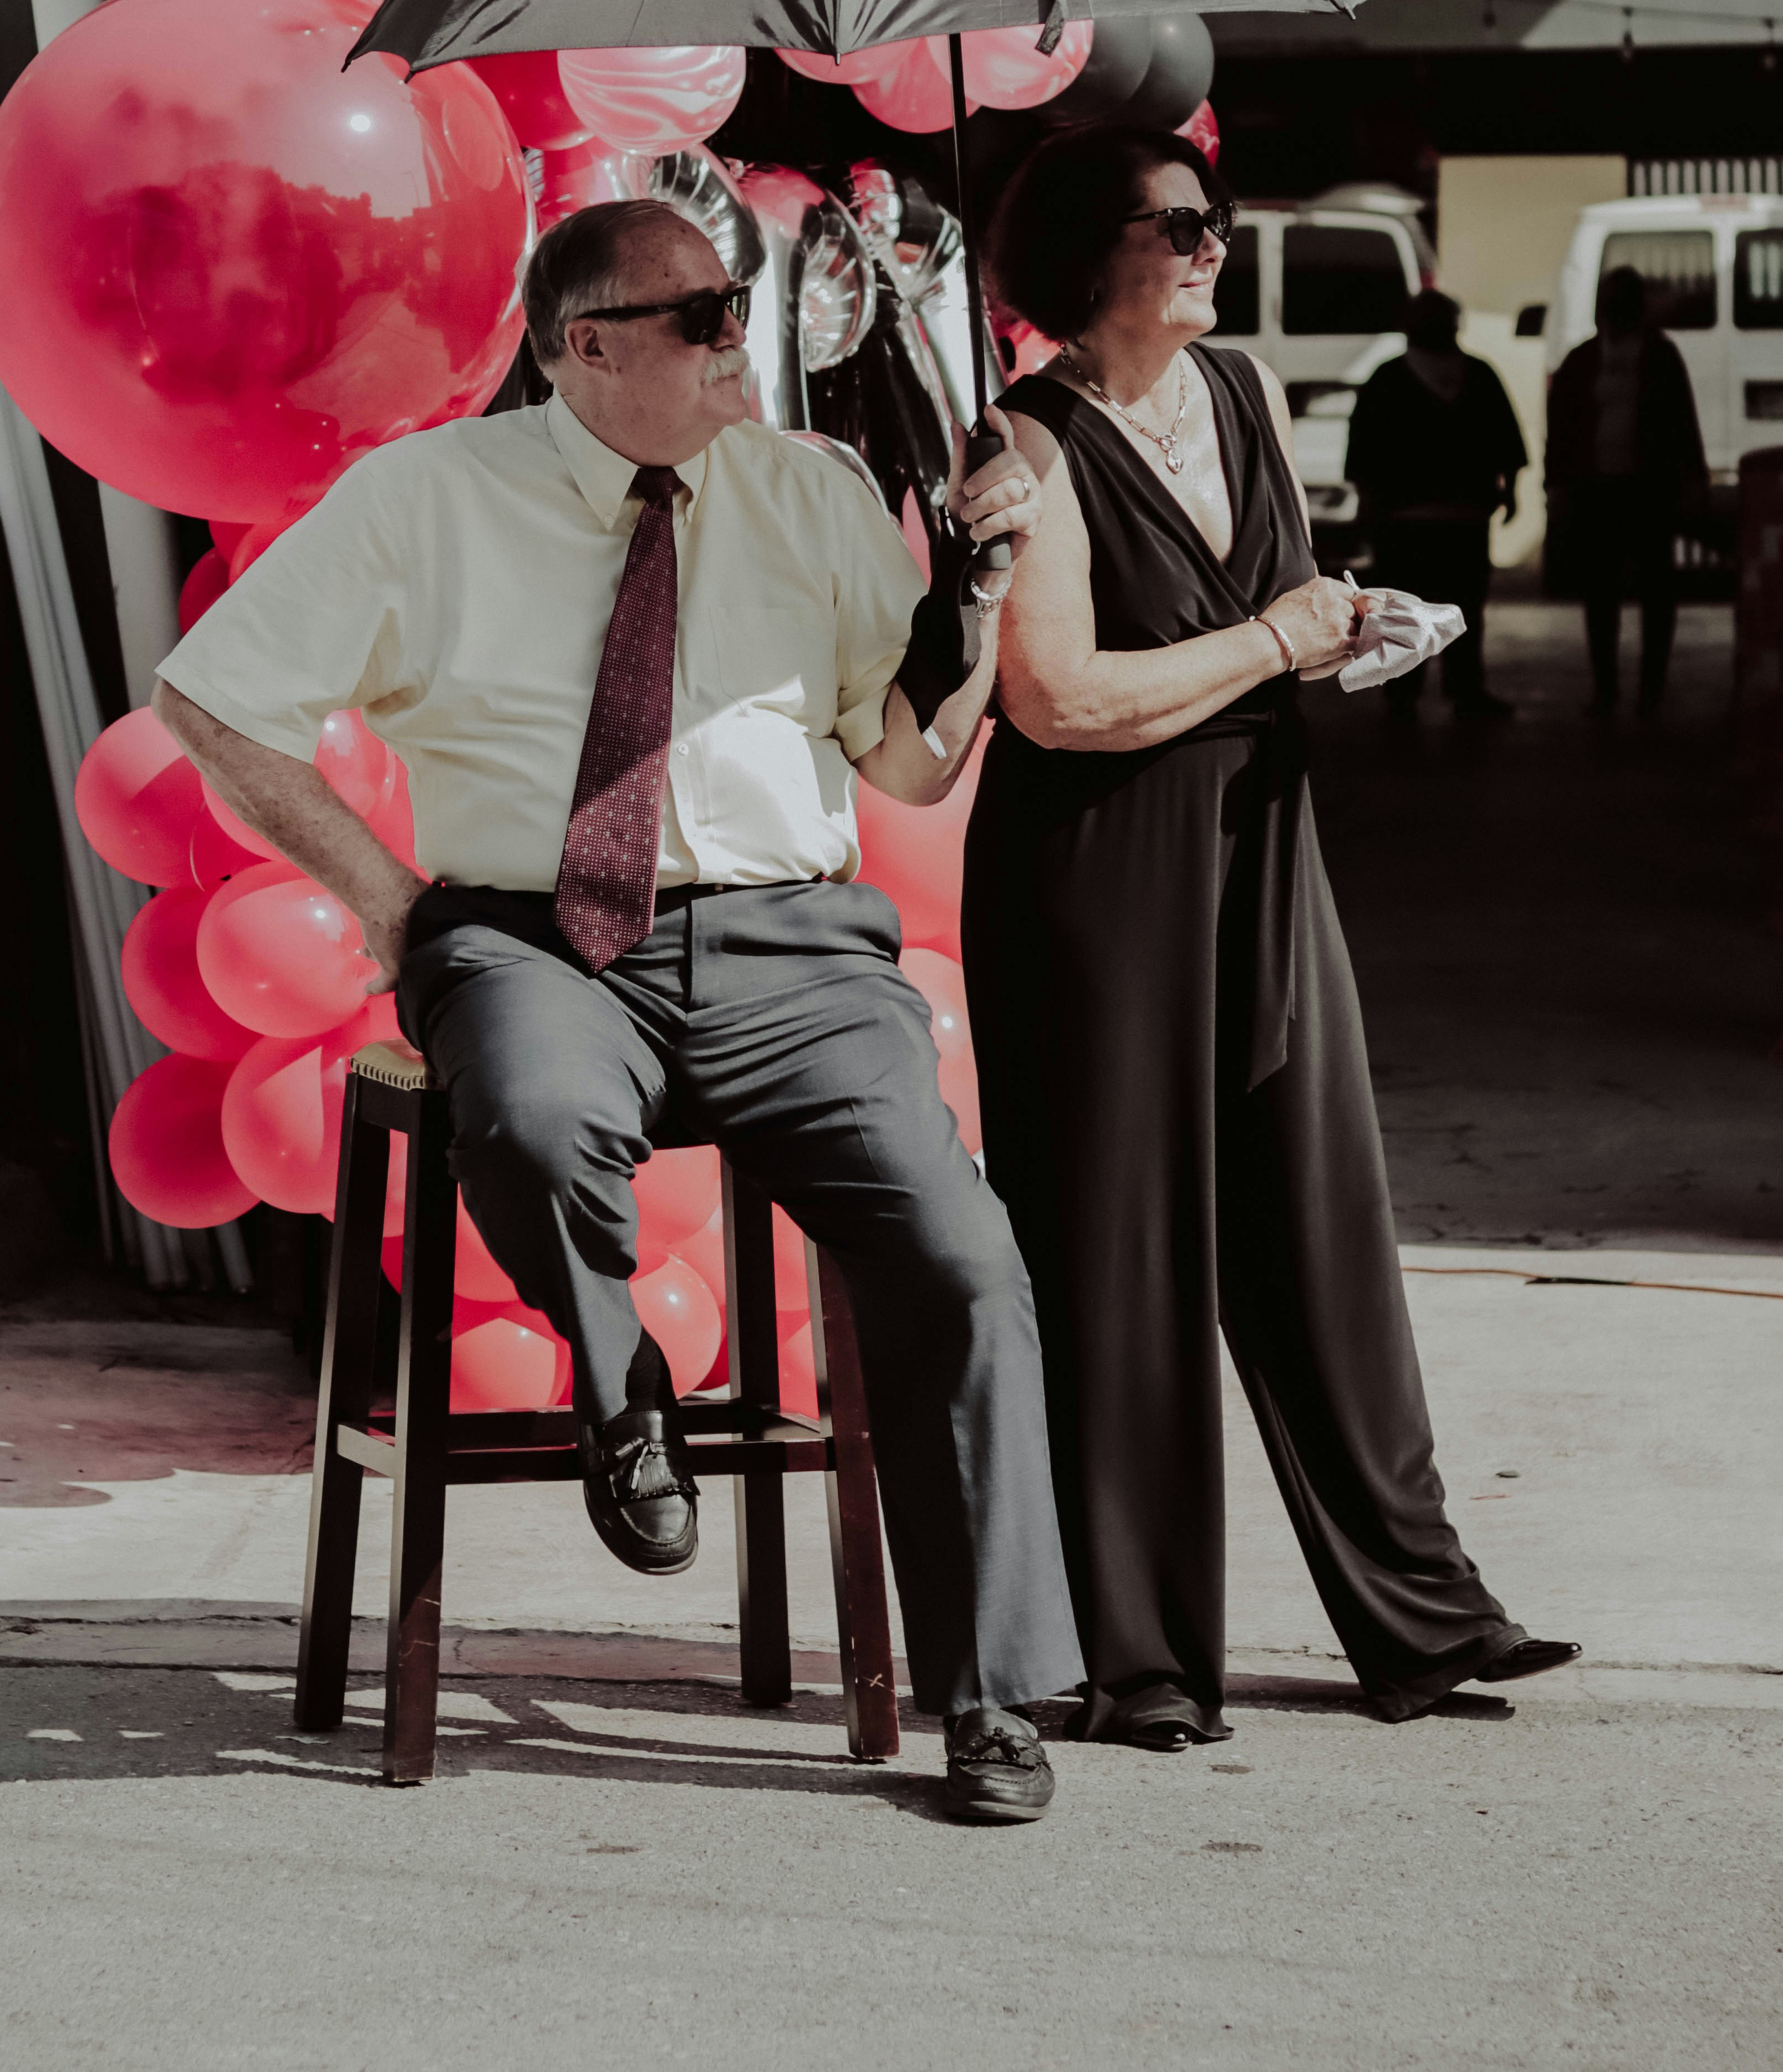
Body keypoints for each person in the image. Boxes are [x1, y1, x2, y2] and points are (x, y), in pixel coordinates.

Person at [155, 197, 1084, 1825]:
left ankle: (989, 1690)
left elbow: (909, 758)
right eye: (706, 314)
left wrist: (983, 593)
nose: (746, 337)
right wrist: (391, 906)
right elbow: (211, 696)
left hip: (794, 944)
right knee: (525, 1108)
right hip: (534, 933)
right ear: (585, 344)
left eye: (740, 307)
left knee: (958, 1250)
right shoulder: (427, 498)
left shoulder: (812, 489)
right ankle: (618, 1389)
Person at [962, 120, 1578, 1749]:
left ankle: (1425, 1618)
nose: (1210, 244)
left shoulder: (1234, 395)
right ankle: (1135, 1661)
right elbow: (1060, 698)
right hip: (1097, 880)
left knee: (1321, 1227)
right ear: (1088, 251)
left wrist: (1352, 631)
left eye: (1213, 217)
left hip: (1259, 846)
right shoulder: (1022, 442)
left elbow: (1287, 613)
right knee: (1124, 1261)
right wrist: (1270, 636)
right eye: (1178, 222)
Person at [1344, 289, 1526, 719]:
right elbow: (1508, 443)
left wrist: (1368, 508)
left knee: (1410, 613)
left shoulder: (1386, 378)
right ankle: (1458, 691)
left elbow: (1362, 454)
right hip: (1455, 519)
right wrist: (1511, 491)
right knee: (1460, 611)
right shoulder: (1478, 374)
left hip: (1406, 521)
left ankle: (1405, 695)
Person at [1545, 262, 1706, 717]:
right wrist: (1557, 486)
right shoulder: (1585, 360)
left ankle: (1648, 690)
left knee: (1654, 593)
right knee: (1603, 595)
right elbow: (1561, 430)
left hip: (1647, 492)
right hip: (1598, 493)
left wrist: (1693, 481)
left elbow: (1682, 424)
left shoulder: (1659, 356)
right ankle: (1609, 689)